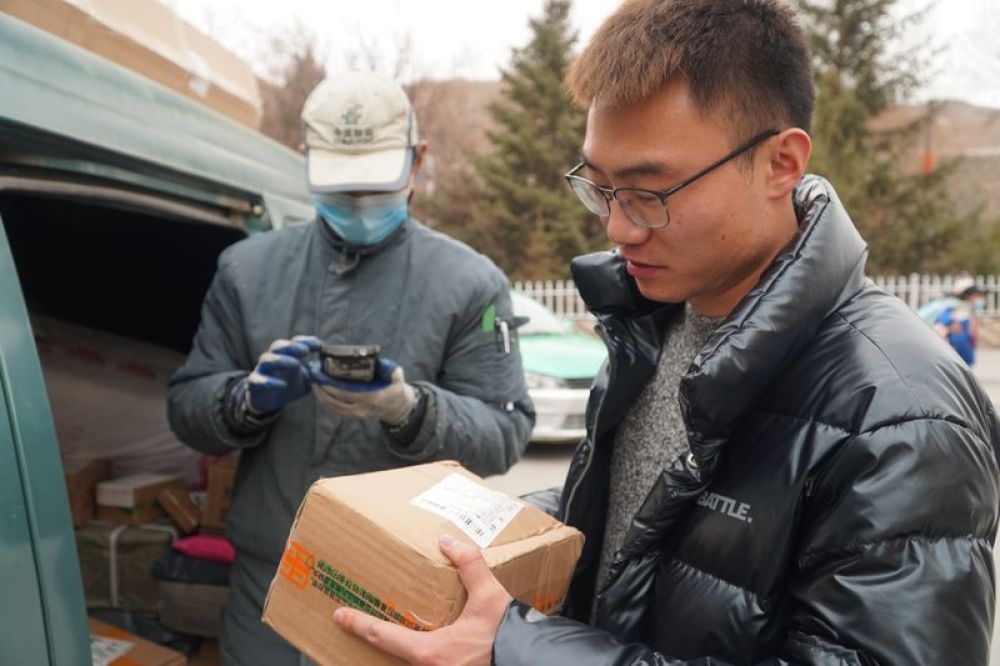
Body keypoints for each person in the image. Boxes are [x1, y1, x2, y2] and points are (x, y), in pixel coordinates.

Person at [332, 1, 1000, 664]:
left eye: (649, 192)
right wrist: (486, 532)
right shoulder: (652, 324)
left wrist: (517, 648)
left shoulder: (905, 418)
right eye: (600, 188)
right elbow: (637, 527)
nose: (618, 228)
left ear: (781, 163)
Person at [167, 71, 534, 665]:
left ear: (418, 160)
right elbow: (186, 407)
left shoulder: (472, 284)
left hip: (405, 595)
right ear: (308, 161)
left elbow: (504, 433)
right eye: (344, 187)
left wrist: (411, 410)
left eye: (374, 185)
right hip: (269, 587)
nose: (360, 203)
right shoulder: (245, 270)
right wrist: (244, 400)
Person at [919, 276, 987, 366]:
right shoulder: (959, 311)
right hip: (957, 359)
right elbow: (959, 339)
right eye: (976, 295)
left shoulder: (953, 307)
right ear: (968, 295)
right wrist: (966, 361)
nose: (980, 298)